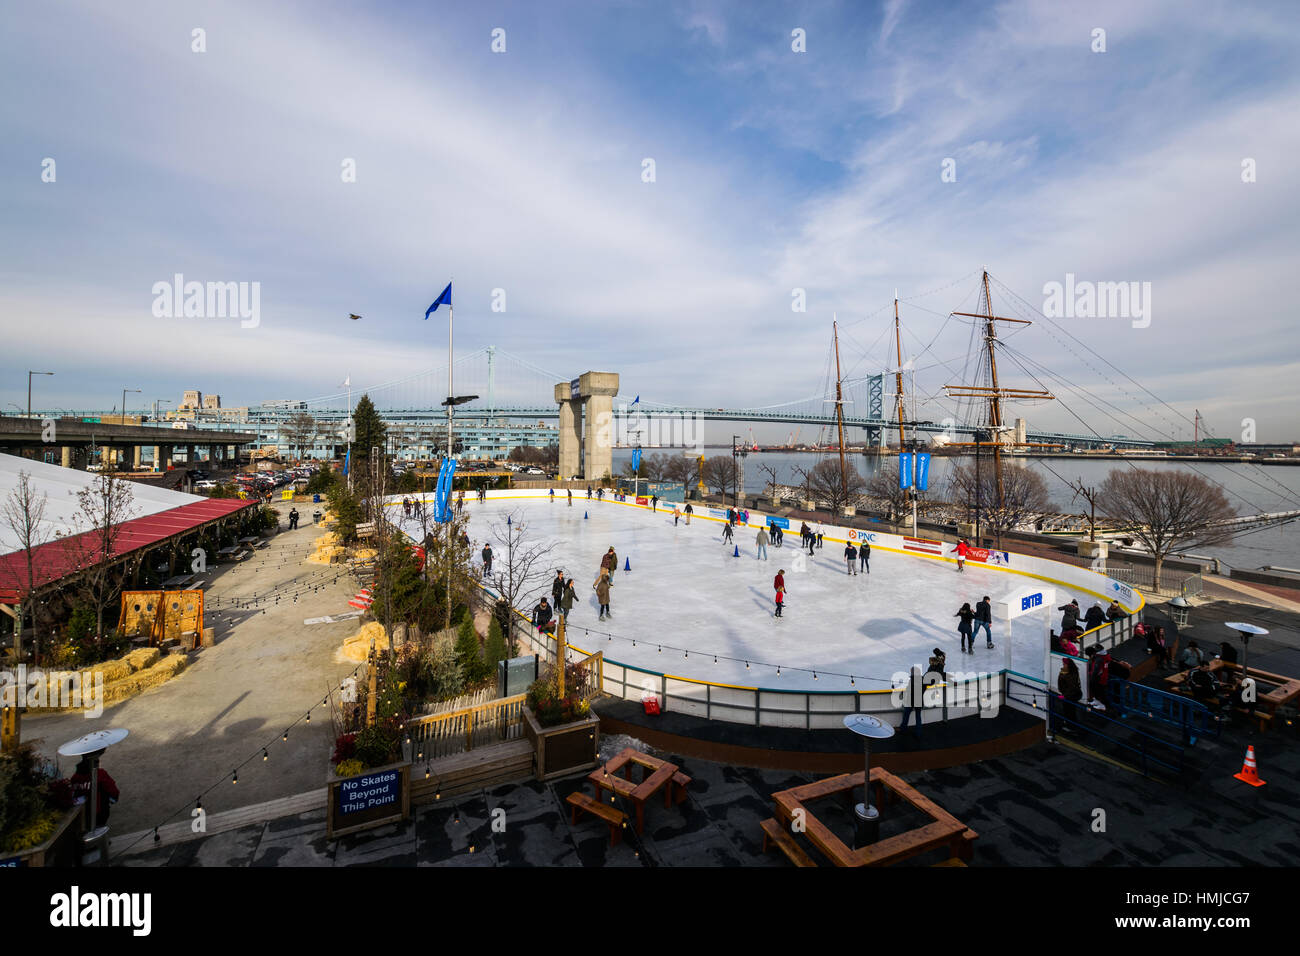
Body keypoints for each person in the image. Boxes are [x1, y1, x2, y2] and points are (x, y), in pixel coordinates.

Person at [71, 758, 120, 829]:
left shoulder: (75, 778)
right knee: (99, 827)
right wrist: (113, 799)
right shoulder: (100, 774)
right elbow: (112, 789)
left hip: (83, 812)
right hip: (100, 809)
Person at [1055, 659, 1083, 733]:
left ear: (1068, 665)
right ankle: (1070, 723)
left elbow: (1072, 688)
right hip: (1069, 695)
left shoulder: (1070, 675)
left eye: (1064, 664)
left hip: (1070, 696)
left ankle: (1071, 726)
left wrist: (1064, 696)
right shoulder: (1070, 671)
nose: (1063, 665)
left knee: (1069, 711)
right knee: (1070, 710)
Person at [898, 665, 926, 734]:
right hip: (919, 701)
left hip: (911, 701)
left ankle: (903, 729)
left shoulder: (912, 679)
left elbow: (909, 689)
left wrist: (902, 692)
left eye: (911, 671)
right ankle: (918, 733)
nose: (911, 672)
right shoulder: (923, 679)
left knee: (906, 714)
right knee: (918, 717)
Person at [1085, 644, 1112, 710]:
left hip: (1099, 678)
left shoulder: (1099, 659)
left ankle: (1104, 705)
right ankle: (1098, 701)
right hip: (1102, 677)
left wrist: (1092, 679)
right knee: (1099, 692)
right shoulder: (1104, 656)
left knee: (1100, 693)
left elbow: (1096, 670)